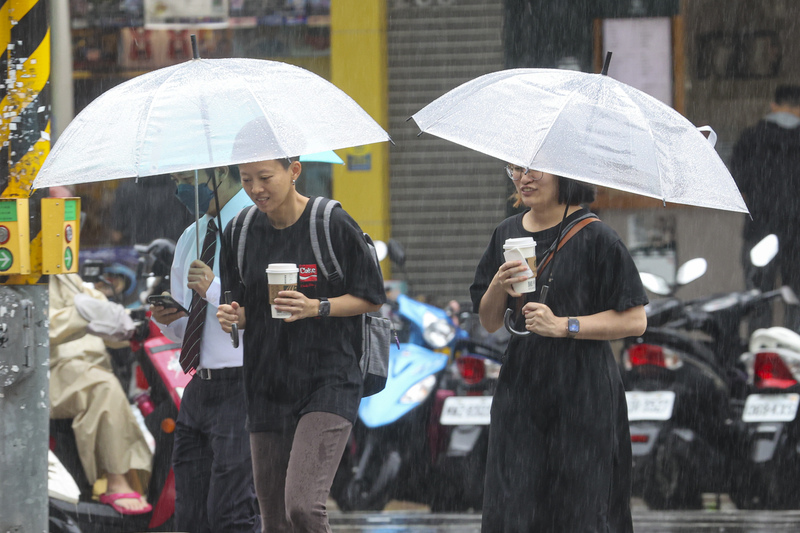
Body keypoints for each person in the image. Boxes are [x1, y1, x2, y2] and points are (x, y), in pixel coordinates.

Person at [470, 165, 648, 532]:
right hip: (522, 387)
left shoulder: (597, 237)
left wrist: (564, 325)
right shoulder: (507, 233)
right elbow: (488, 321)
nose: (524, 179)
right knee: (514, 507)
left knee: (581, 509)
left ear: (566, 172)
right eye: (516, 169)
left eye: (534, 170)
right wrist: (498, 285)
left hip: (584, 391)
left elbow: (634, 320)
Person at [216, 154, 385, 533]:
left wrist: (317, 306)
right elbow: (242, 307)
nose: (256, 189)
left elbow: (372, 297)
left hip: (328, 381)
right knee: (274, 522)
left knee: (304, 508)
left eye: (264, 177)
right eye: (246, 180)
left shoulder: (330, 223)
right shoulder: (239, 232)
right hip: (266, 383)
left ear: (294, 171)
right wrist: (232, 316)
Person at [150, 165, 260, 533]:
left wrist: (214, 289)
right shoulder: (190, 237)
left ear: (219, 173)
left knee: (231, 509)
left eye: (186, 182)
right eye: (175, 182)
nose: (180, 191)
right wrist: (168, 318)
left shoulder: (258, 226)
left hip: (245, 384)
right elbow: (189, 330)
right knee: (190, 513)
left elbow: (268, 313)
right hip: (199, 387)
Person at [49, 273, 153, 515]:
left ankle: (140, 482)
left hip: (91, 367)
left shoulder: (64, 274)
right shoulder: (17, 270)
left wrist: (141, 320)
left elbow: (105, 313)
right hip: (46, 373)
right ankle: (114, 480)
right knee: (103, 388)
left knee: (112, 384)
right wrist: (82, 315)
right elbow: (33, 327)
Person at [730, 84, 800, 331]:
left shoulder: (751, 137)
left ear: (773, 105)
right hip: (797, 233)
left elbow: (737, 184)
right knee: (797, 302)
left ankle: (760, 358)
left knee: (758, 298)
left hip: (759, 229)